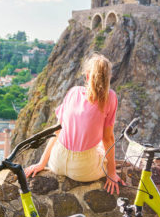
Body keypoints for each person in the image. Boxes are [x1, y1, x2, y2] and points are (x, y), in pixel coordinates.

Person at [25, 53, 122, 195]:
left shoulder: (73, 92)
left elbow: (57, 131)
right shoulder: (110, 98)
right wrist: (112, 173)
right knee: (103, 150)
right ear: (108, 78)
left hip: (56, 162)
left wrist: (41, 163)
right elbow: (108, 139)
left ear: (87, 76)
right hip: (83, 169)